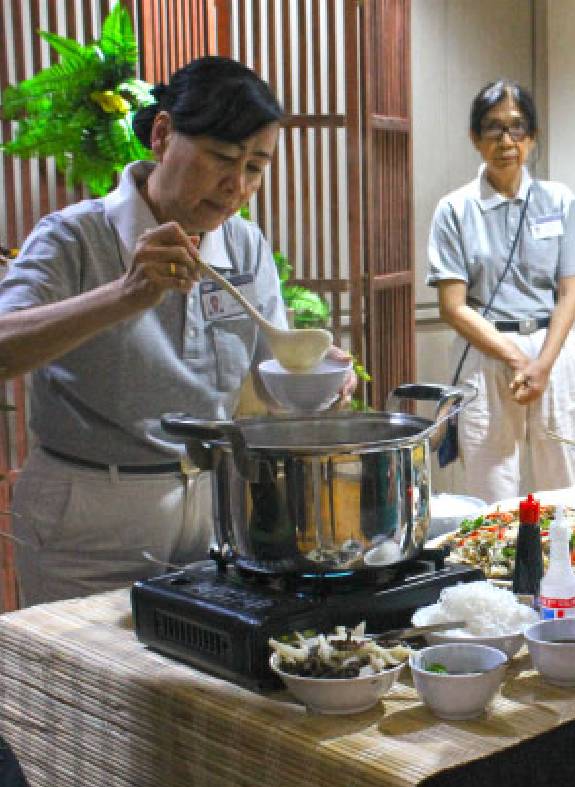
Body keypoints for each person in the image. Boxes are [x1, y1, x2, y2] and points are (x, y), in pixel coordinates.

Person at [0, 56, 351, 606]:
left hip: (209, 506)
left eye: (256, 167)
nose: (237, 186)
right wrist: (125, 294)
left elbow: (272, 371)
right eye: (222, 158)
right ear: (162, 134)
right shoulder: (74, 237)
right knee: (83, 682)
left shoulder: (243, 245)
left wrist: (317, 377)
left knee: (189, 677)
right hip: (90, 512)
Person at [427, 79, 575, 502]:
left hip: (552, 352)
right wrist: (518, 358)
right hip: (486, 351)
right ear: (474, 138)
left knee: (566, 485)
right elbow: (452, 306)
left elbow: (569, 293)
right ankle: (496, 569)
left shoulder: (559, 201)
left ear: (532, 136)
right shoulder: (455, 209)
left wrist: (542, 363)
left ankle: (568, 566)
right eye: (492, 128)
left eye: (517, 128)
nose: (506, 140)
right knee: (490, 488)